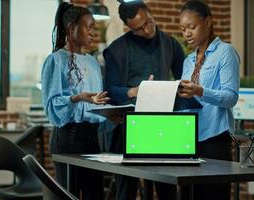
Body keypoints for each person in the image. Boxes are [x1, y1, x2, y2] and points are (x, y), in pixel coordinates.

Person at [103, 1, 185, 200]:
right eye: (139, 29)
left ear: (150, 13)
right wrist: (135, 91)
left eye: (149, 22)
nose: (147, 30)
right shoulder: (116, 50)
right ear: (128, 28)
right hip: (130, 126)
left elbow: (184, 80)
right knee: (126, 189)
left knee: (167, 188)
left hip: (163, 125)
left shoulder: (171, 44)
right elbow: (110, 90)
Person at [41, 2, 109, 200]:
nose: (92, 33)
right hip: (68, 136)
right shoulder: (55, 60)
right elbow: (52, 106)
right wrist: (77, 98)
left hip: (93, 137)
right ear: (72, 29)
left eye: (94, 29)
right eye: (88, 27)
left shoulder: (93, 63)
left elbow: (97, 101)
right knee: (69, 194)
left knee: (95, 193)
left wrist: (109, 113)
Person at [178, 0, 240, 199]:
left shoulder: (225, 52)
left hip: (214, 138)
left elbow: (231, 97)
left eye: (191, 27)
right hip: (188, 139)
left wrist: (200, 91)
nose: (186, 33)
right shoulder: (188, 60)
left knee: (213, 195)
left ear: (208, 22)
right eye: (183, 29)